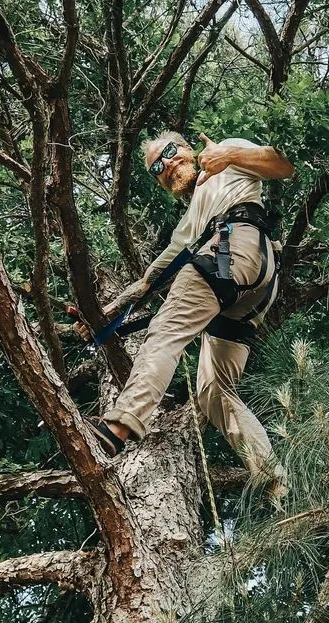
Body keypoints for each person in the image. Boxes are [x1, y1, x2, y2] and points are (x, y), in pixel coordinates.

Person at [75, 131, 293, 500]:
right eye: (158, 167)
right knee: (212, 391)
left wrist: (228, 153)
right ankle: (275, 480)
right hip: (252, 282)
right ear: (162, 182)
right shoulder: (193, 216)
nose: (168, 164)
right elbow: (153, 276)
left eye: (172, 152)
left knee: (166, 331)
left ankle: (119, 426)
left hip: (236, 246)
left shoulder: (227, 156)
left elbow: (282, 166)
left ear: (190, 149)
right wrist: (107, 313)